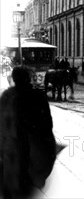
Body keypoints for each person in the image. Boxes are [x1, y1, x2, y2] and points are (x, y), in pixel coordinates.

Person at [0, 66, 57, 199]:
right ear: (29, 79)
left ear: (13, 79)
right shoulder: (37, 96)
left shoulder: (7, 96)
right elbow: (47, 123)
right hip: (32, 149)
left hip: (12, 151)